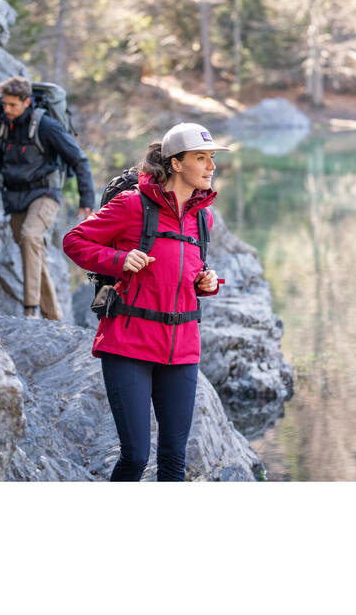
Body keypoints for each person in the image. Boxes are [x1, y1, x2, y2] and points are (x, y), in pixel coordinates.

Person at [62, 122, 230, 481]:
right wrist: (119, 261)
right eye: (201, 158)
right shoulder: (131, 206)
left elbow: (188, 270)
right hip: (128, 346)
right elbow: (74, 241)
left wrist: (208, 283)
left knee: (173, 460)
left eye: (212, 158)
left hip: (182, 349)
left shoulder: (203, 218)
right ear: (176, 164)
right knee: (136, 456)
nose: (211, 167)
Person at [0, 75, 95, 320]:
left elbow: (78, 159)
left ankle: (31, 310)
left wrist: (87, 200)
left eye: (12, 105)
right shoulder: (2, 125)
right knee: (31, 249)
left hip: (45, 194)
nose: (7, 109)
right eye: (4, 104)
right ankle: (54, 318)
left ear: (27, 102)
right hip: (15, 197)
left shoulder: (46, 126)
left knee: (30, 236)